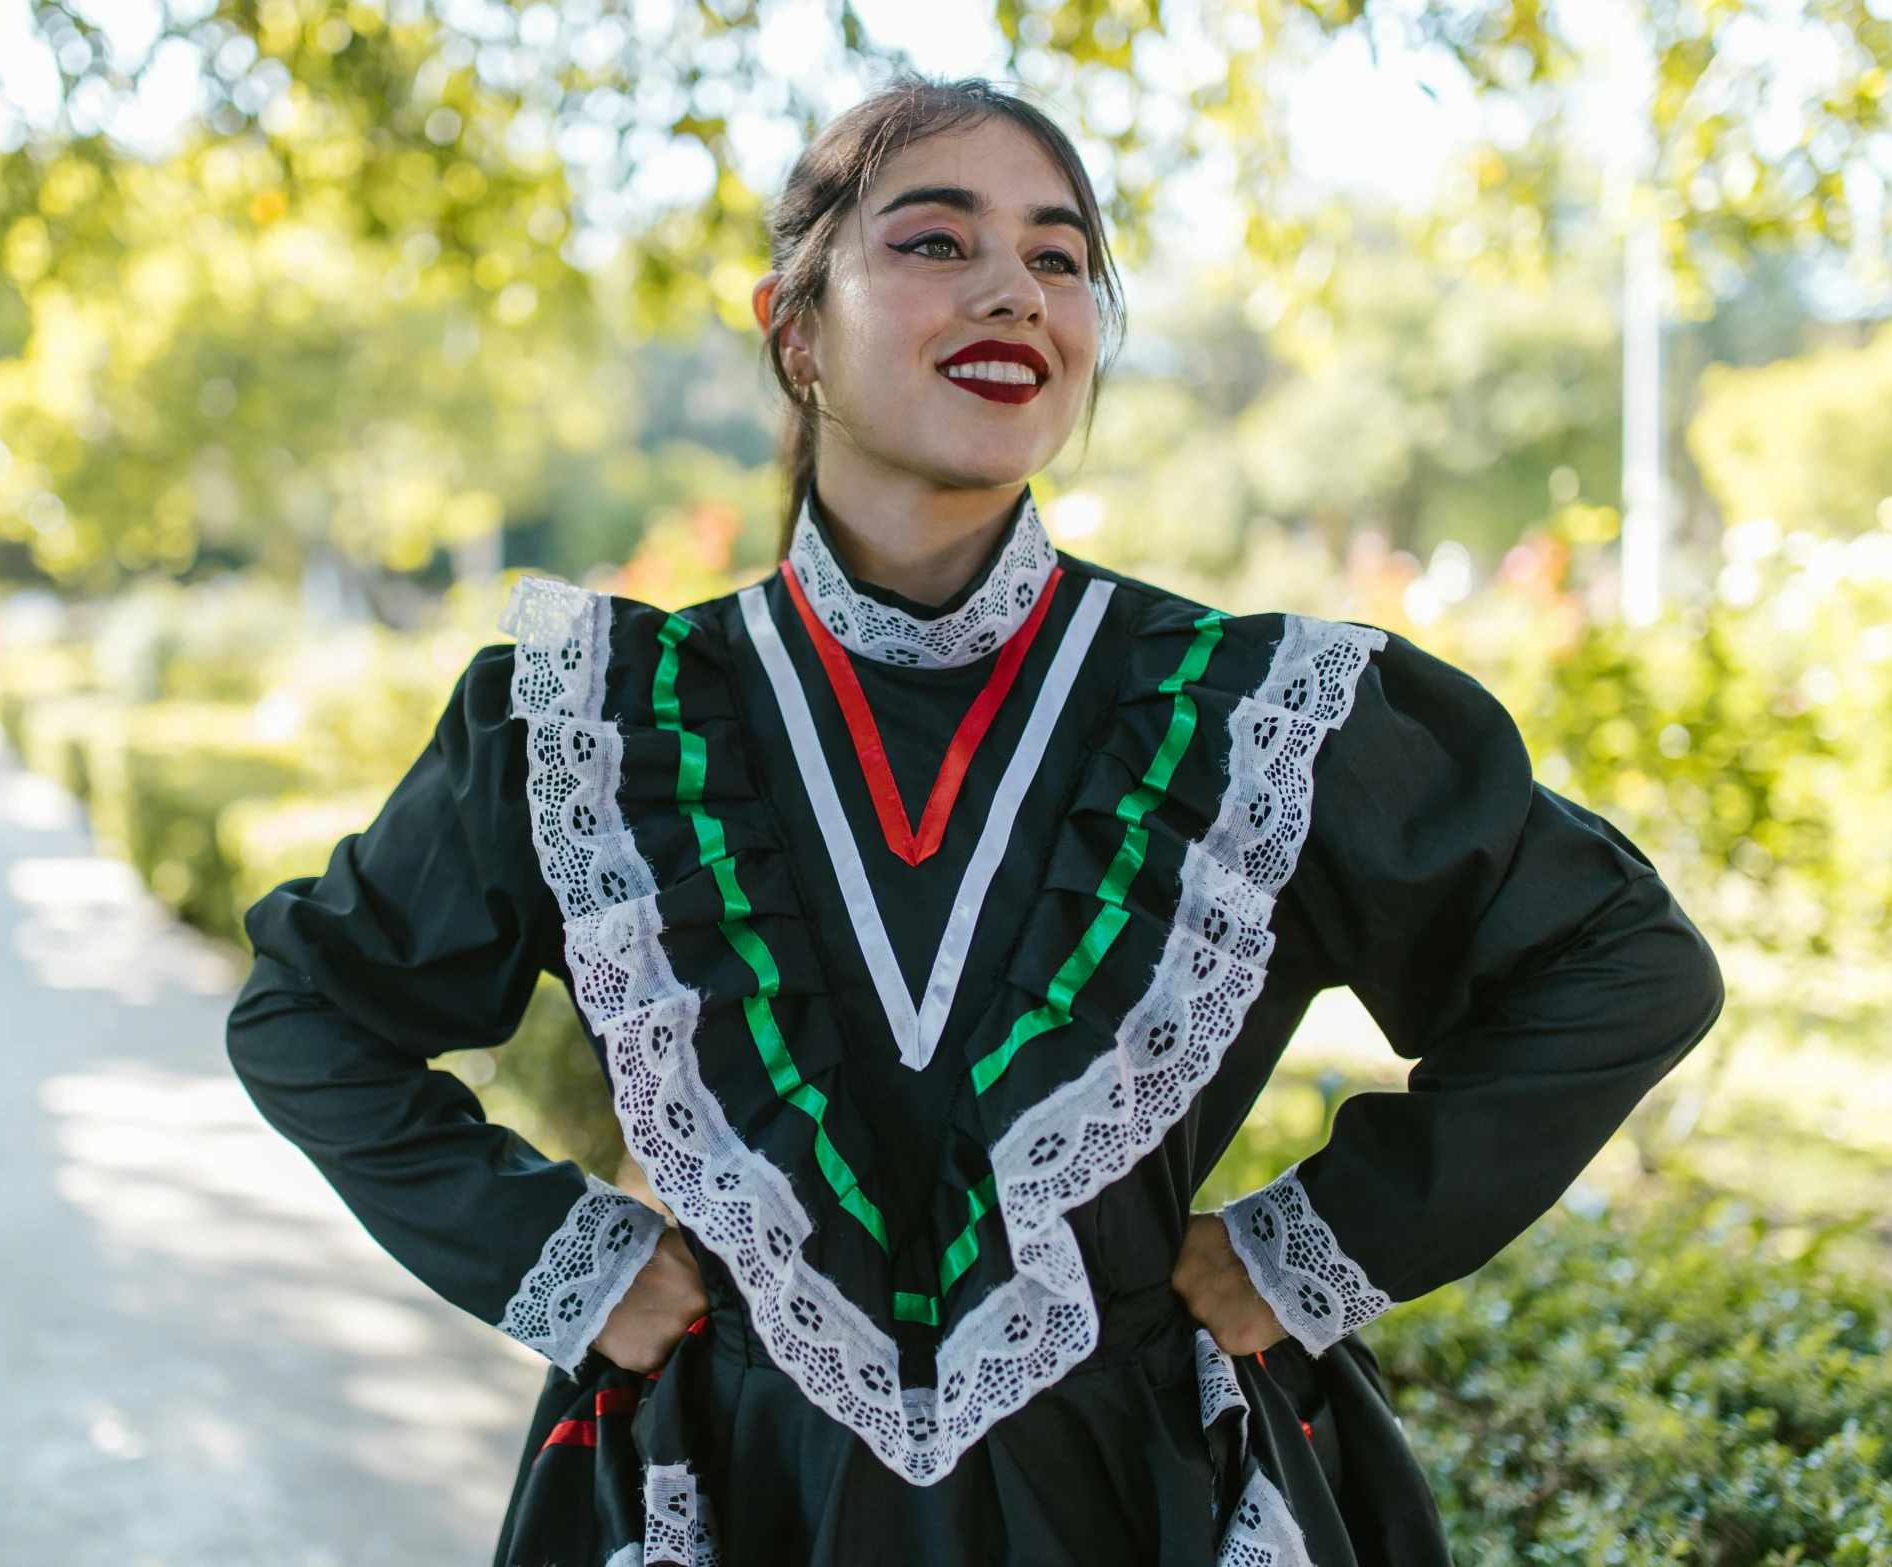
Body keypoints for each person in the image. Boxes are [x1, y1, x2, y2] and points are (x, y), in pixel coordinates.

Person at [226, 75, 1722, 1567]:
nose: (1014, 288)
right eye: (935, 242)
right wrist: (560, 1255)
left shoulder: (1249, 713)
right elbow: (311, 1009)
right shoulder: (598, 721)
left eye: (1059, 257)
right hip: (731, 1491)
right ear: (793, 329)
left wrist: (1308, 1245)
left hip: (1139, 1492)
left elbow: (1622, 960)